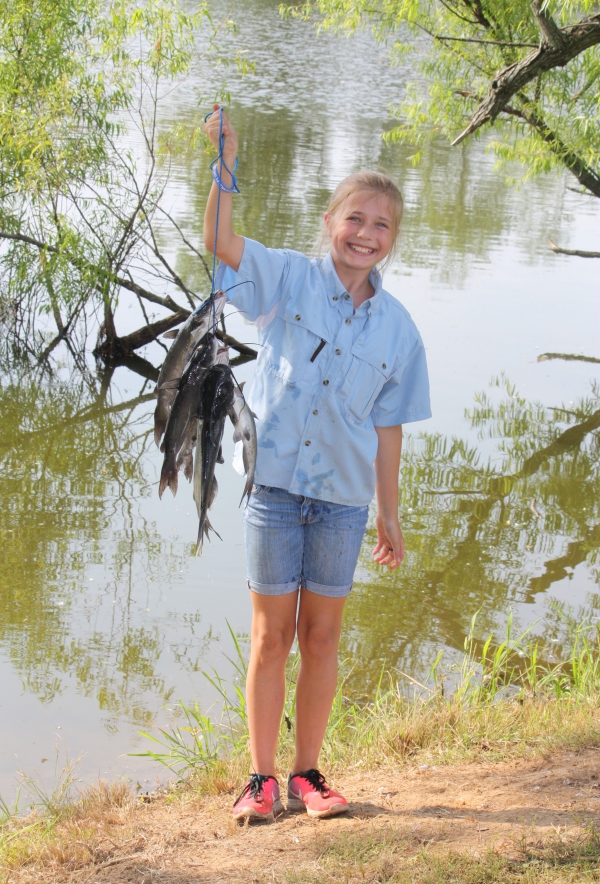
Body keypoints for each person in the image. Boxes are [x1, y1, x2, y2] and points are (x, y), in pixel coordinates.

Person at [203, 105, 431, 822]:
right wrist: (225, 161)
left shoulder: (400, 330)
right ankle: (261, 780)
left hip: (342, 501)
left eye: (381, 226)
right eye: (355, 219)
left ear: (392, 241)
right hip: (273, 489)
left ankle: (308, 776)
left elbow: (388, 429)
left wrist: (389, 513)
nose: (366, 235)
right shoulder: (289, 281)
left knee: (322, 637)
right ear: (331, 220)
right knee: (271, 636)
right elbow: (218, 238)